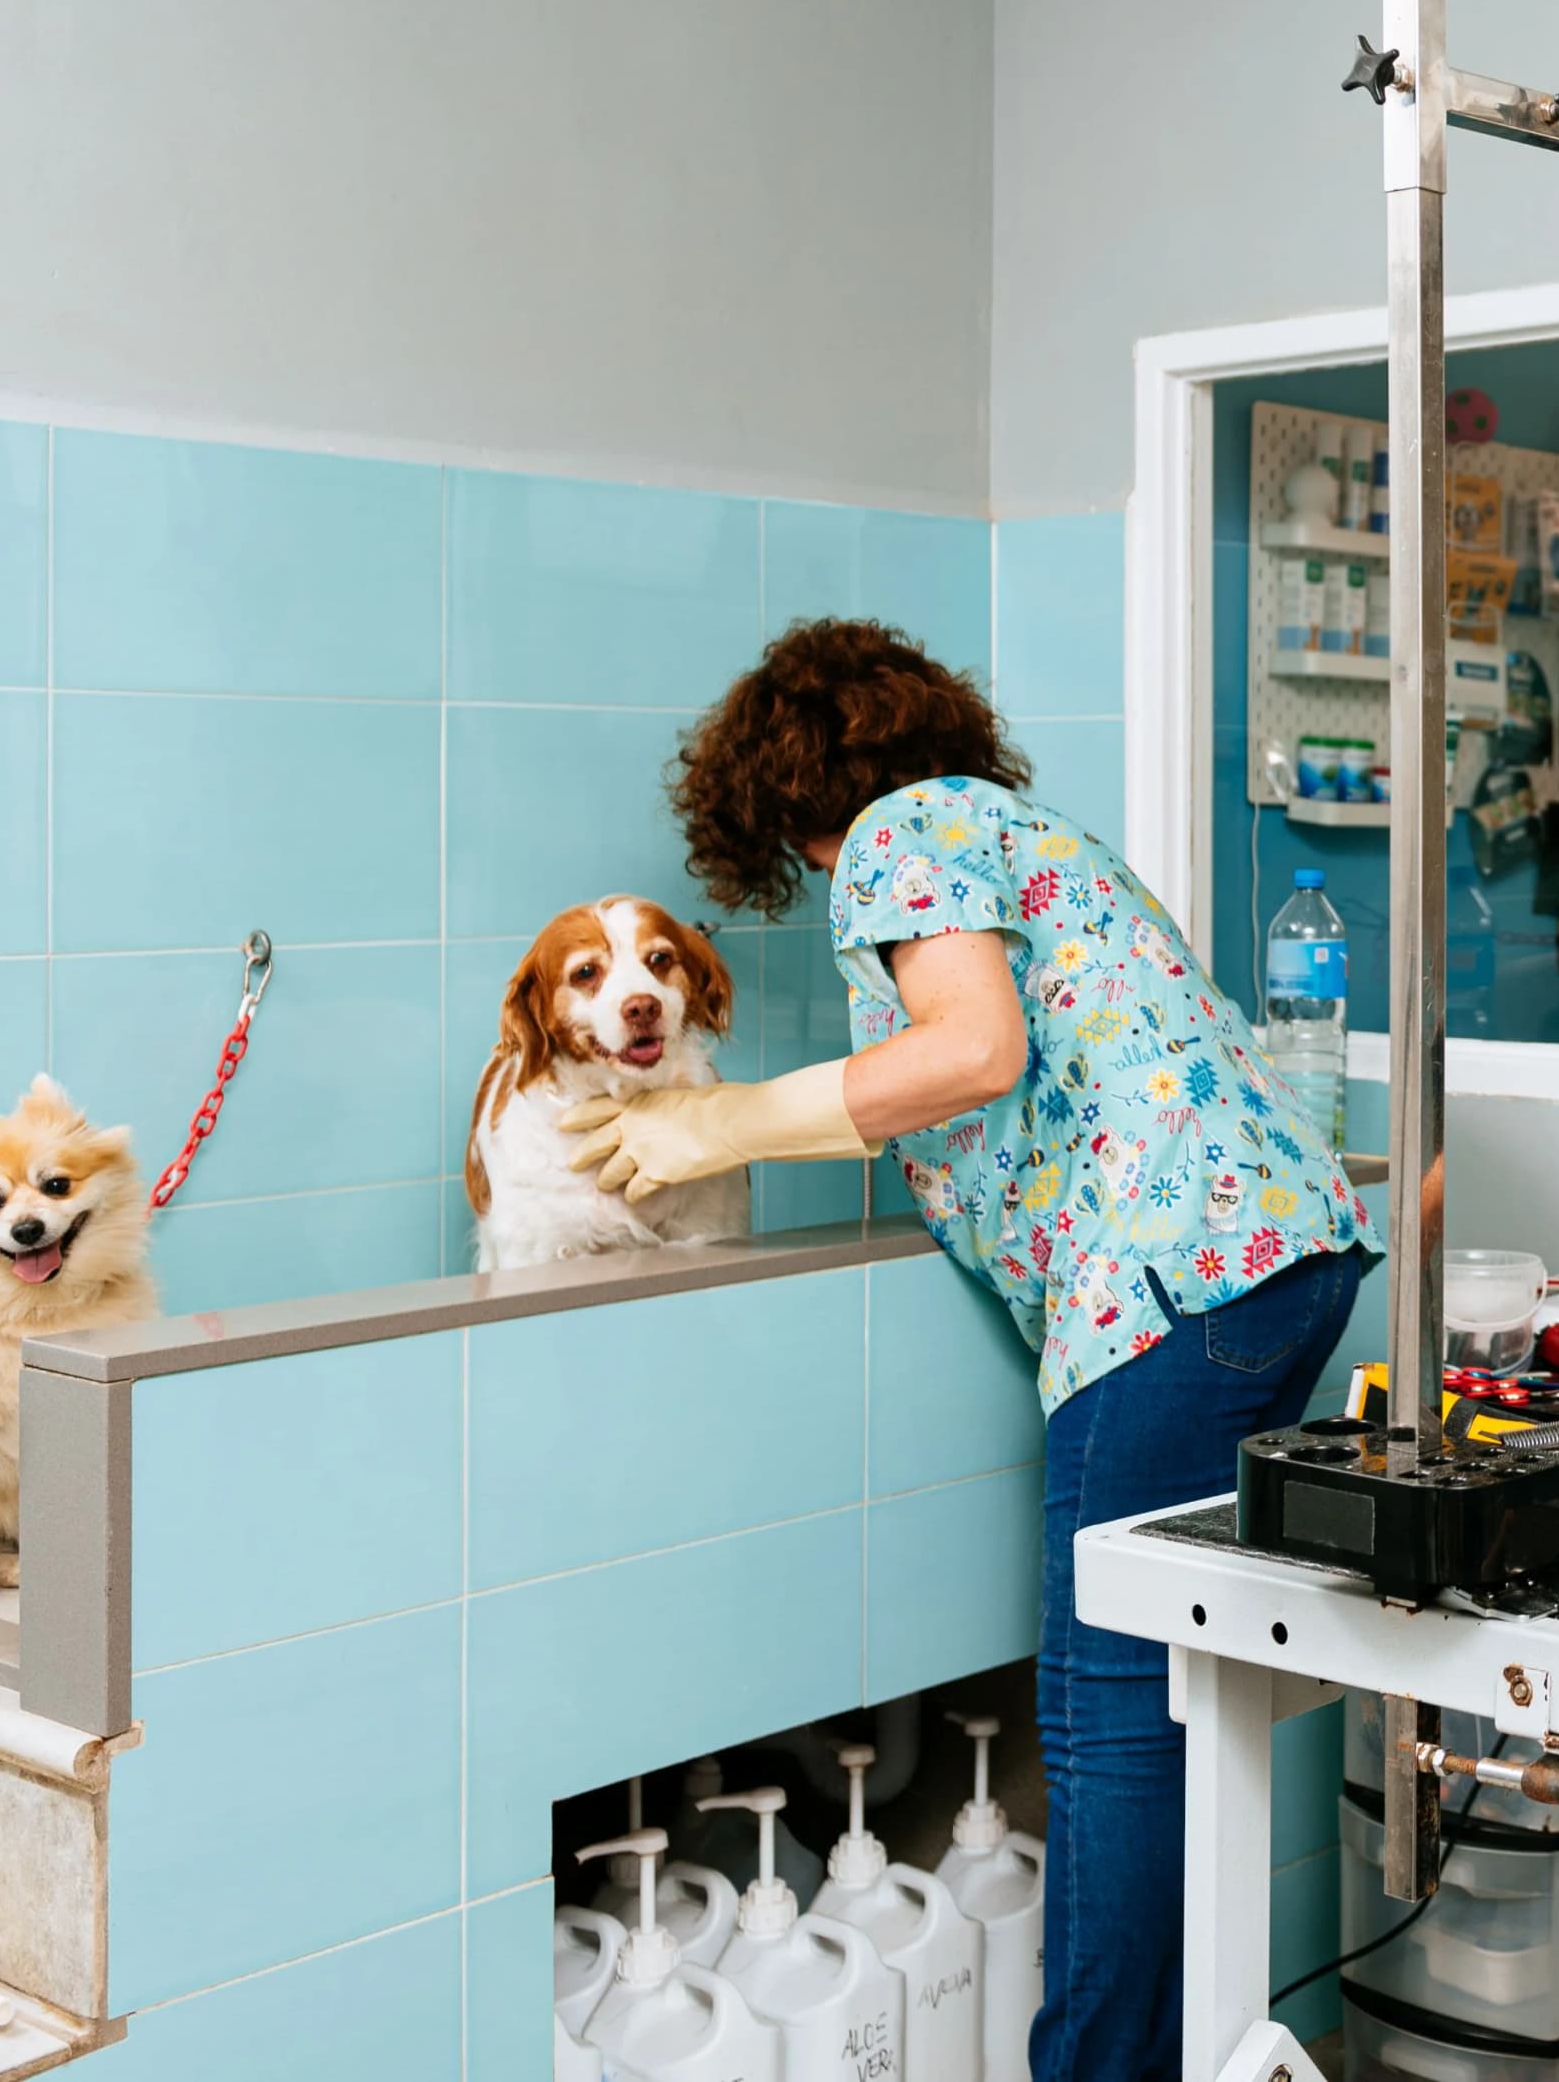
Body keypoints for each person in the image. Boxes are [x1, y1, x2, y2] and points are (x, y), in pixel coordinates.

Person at [572, 618, 1378, 2082]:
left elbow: (971, 1052)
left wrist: (722, 1122)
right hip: (1277, 1257)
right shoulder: (1016, 833)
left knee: (1107, 1713)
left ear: (778, 790)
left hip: (1166, 1284)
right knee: (1171, 1693)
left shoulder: (901, 832)